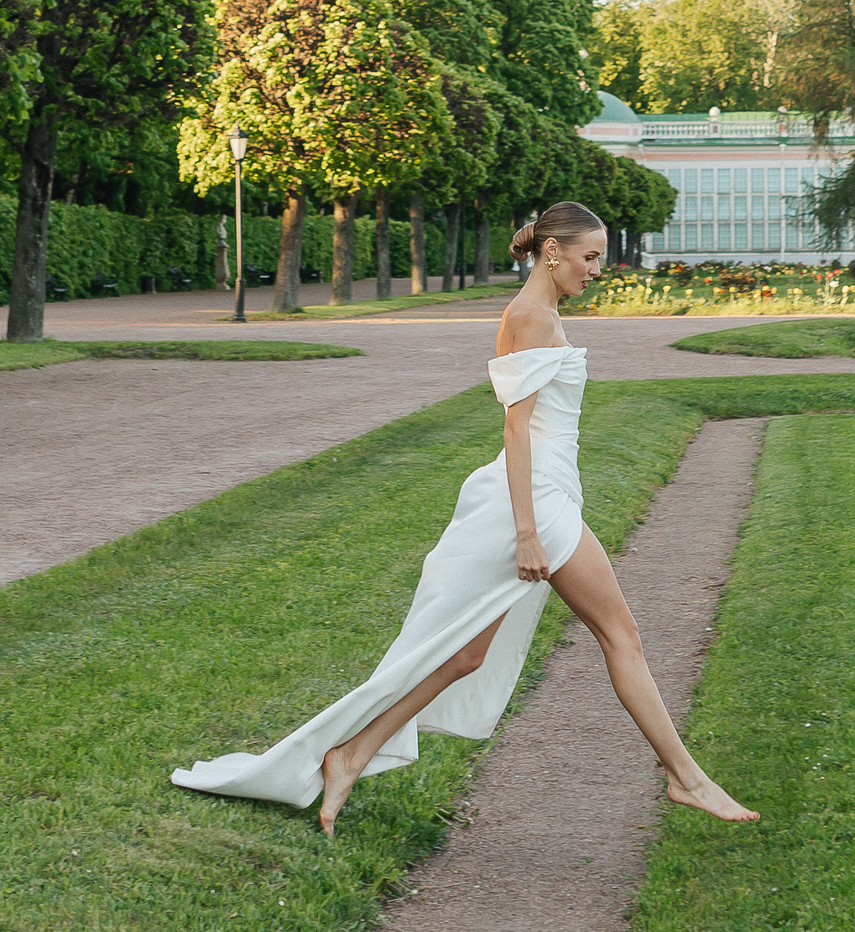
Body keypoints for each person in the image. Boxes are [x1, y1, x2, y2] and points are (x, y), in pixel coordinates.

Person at [171, 199, 755, 836]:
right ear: (553, 250)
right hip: (533, 501)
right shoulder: (530, 316)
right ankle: (686, 778)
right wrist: (528, 532)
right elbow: (516, 427)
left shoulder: (542, 311)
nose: (598, 269)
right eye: (590, 257)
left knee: (464, 655)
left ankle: (348, 756)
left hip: (546, 491)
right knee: (622, 637)